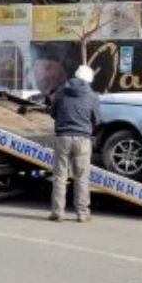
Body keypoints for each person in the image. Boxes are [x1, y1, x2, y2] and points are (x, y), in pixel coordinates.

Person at [49, 65, 100, 223]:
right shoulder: (92, 96)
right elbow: (96, 120)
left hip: (63, 137)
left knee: (59, 177)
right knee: (82, 178)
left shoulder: (61, 93)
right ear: (89, 80)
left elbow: (53, 113)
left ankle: (58, 213)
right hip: (83, 140)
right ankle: (82, 213)